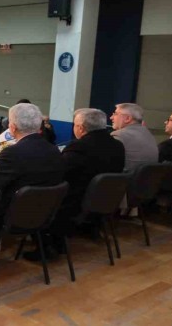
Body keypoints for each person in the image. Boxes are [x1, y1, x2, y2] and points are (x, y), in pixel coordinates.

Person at [43, 109, 126, 259]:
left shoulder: (79, 147)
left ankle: (47, 245)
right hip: (105, 200)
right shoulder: (118, 146)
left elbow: (59, 174)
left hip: (75, 202)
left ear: (80, 128)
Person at [0, 103, 65, 229]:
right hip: (44, 213)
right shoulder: (54, 150)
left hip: (11, 216)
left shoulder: (12, 153)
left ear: (12, 127)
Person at [110, 103, 158, 171]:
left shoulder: (119, 135)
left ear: (127, 118)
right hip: (148, 176)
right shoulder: (148, 134)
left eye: (116, 114)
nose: (111, 117)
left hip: (125, 177)